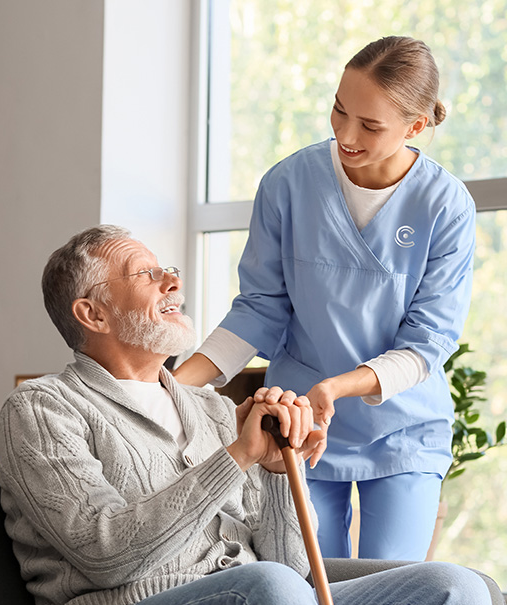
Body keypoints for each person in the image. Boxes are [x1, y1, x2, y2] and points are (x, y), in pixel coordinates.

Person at [0, 224, 492, 605]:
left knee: (455, 591)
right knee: (267, 589)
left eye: (166, 268)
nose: (174, 280)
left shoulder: (211, 409)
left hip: (255, 600)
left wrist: (279, 470)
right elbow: (104, 555)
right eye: (147, 274)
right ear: (94, 314)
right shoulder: (43, 408)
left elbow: (290, 568)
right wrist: (235, 458)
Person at [174, 35, 476, 561]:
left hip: (401, 428)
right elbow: (260, 308)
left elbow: (428, 342)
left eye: (370, 125)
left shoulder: (445, 206)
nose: (345, 133)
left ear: (416, 126)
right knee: (314, 589)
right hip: (298, 424)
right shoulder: (288, 184)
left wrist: (336, 388)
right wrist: (169, 388)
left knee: (391, 592)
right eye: (339, 110)